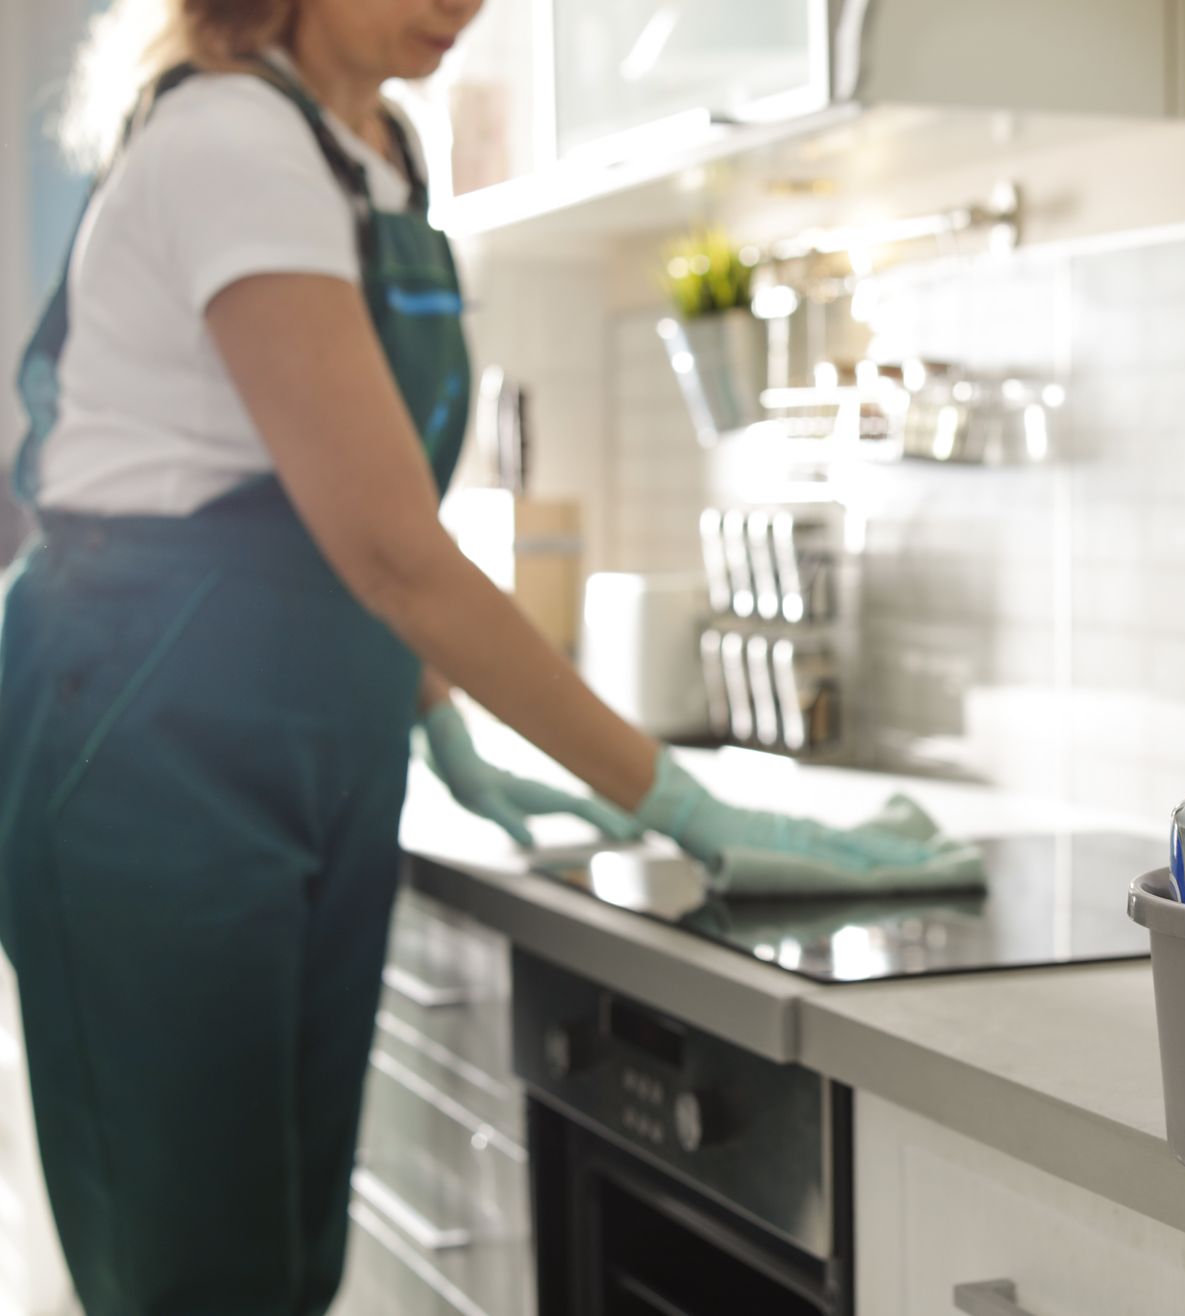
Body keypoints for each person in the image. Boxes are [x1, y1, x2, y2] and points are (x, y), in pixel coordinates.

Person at [0, 2, 936, 1311]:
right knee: (191, 1271)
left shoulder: (379, 148)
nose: (461, 6)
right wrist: (673, 797)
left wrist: (421, 686)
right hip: (146, 742)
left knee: (284, 1254)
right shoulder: (229, 139)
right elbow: (388, 546)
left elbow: (346, 515)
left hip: (316, 732)